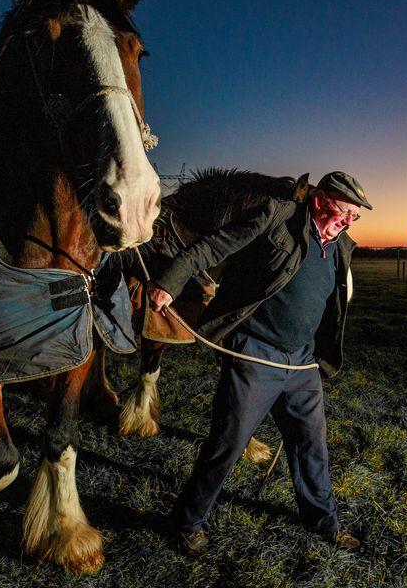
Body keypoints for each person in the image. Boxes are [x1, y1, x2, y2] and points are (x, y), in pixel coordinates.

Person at [146, 171, 372, 556]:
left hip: (302, 365)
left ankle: (323, 521)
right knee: (228, 444)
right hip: (255, 354)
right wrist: (169, 282)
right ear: (319, 201)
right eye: (342, 211)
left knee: (311, 445)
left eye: (355, 217)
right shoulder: (277, 217)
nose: (347, 222)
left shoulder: (341, 245)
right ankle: (187, 524)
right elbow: (212, 247)